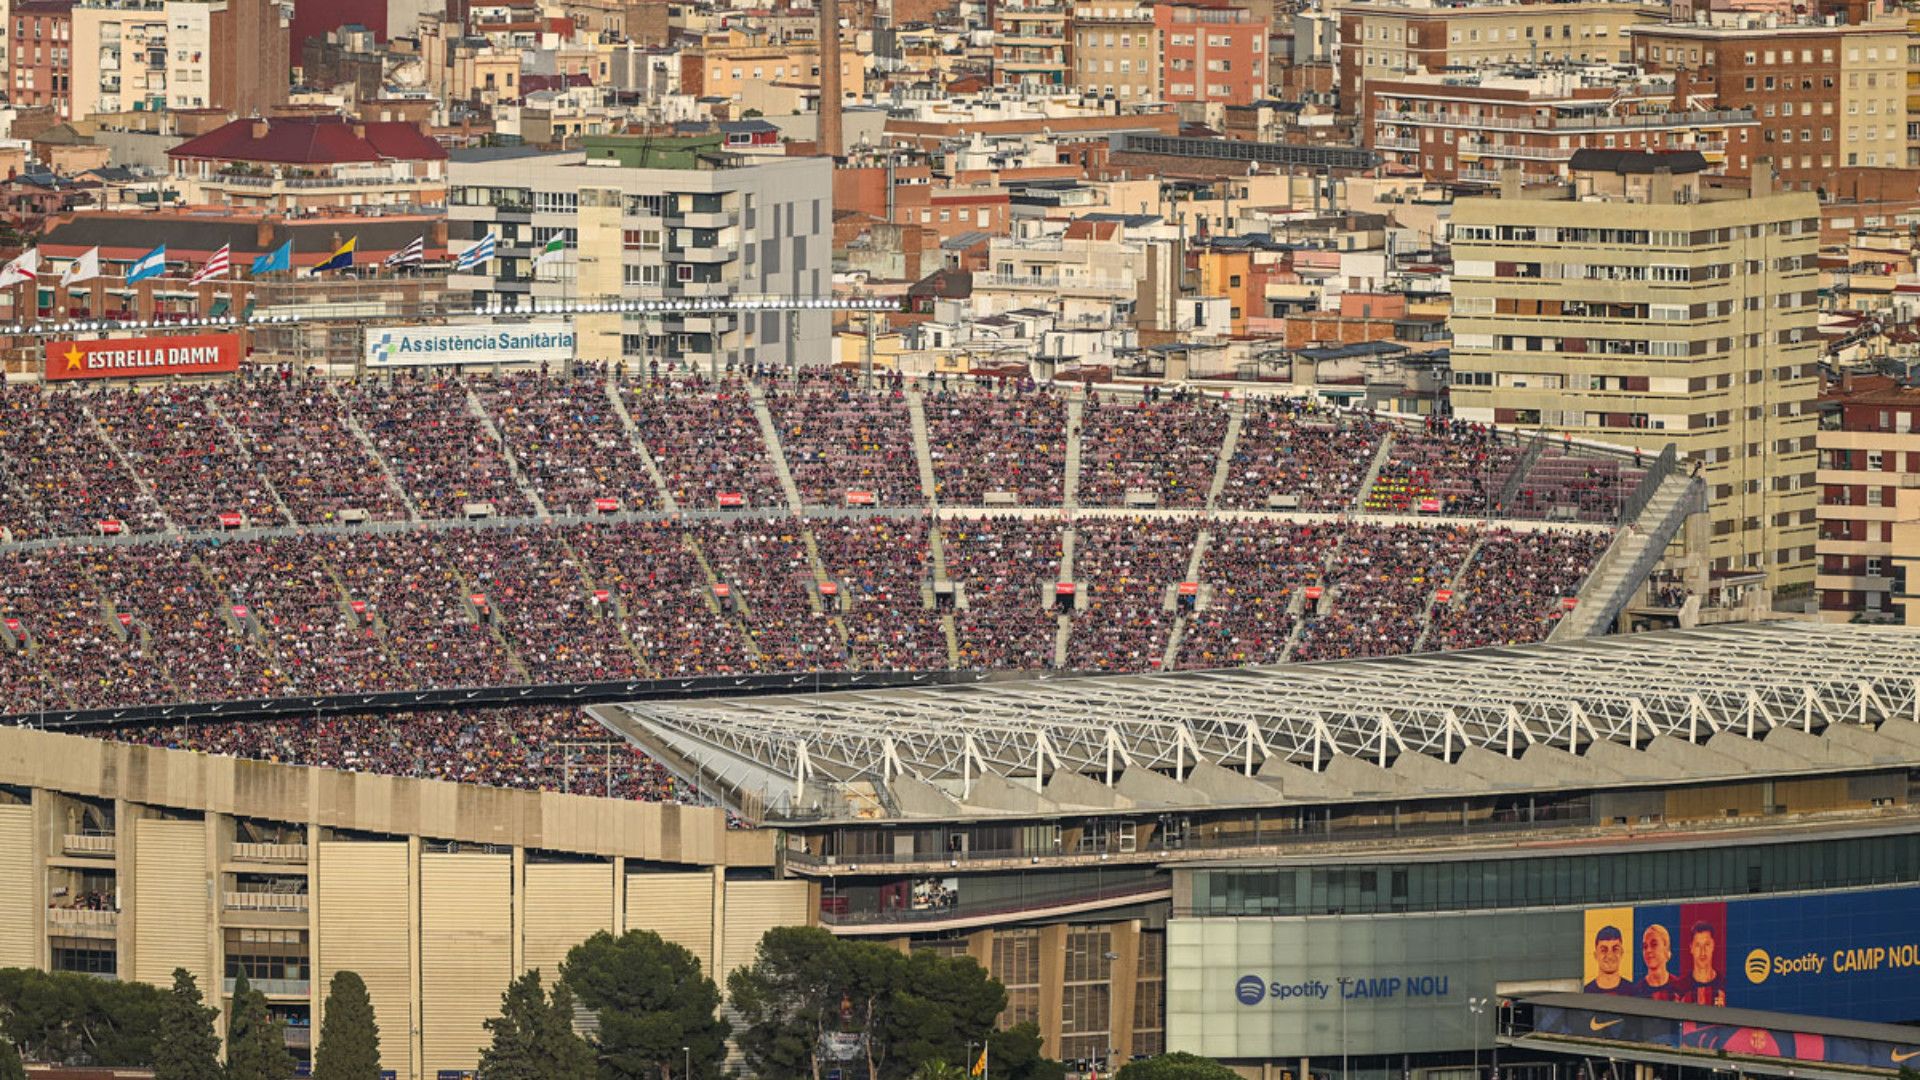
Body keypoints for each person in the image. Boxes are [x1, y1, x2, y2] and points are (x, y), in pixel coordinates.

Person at [1634, 924, 1689, 1001]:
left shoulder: (1680, 988)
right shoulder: (1637, 992)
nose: (1648, 950)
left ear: (1666, 948)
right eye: (1645, 946)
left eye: (1654, 945)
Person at [1684, 921, 1726, 1006]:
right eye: (1698, 945)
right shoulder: (1681, 988)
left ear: (1713, 945)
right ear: (1691, 948)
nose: (1702, 952)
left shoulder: (1725, 985)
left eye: (1706, 944)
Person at [1585, 925, 1632, 994]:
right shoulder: (1586, 992)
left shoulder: (1633, 991)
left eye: (1615, 949)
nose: (1610, 956)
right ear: (1595, 955)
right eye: (1603, 950)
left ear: (1622, 953)